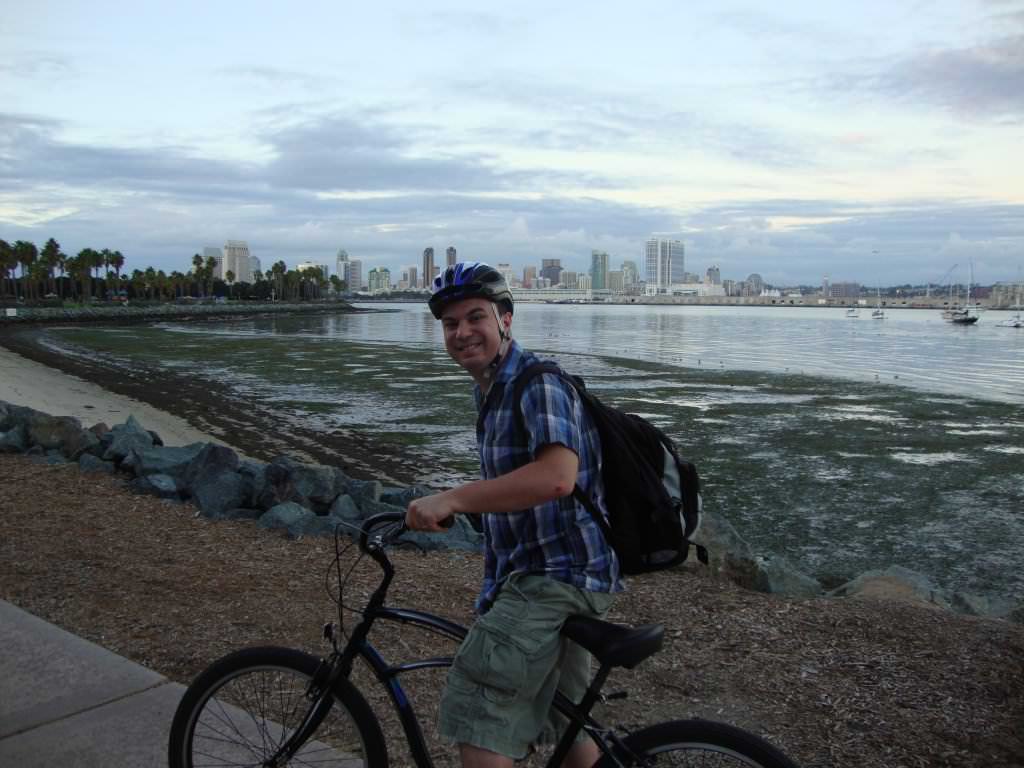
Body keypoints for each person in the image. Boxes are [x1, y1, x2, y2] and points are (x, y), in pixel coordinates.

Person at [406, 262, 622, 768]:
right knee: (566, 726)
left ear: (506, 319)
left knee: (481, 712)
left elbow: (556, 478)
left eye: (474, 317)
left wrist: (455, 498)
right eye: (450, 324)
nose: (461, 333)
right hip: (553, 573)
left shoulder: (535, 384)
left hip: (555, 577)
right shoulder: (491, 389)